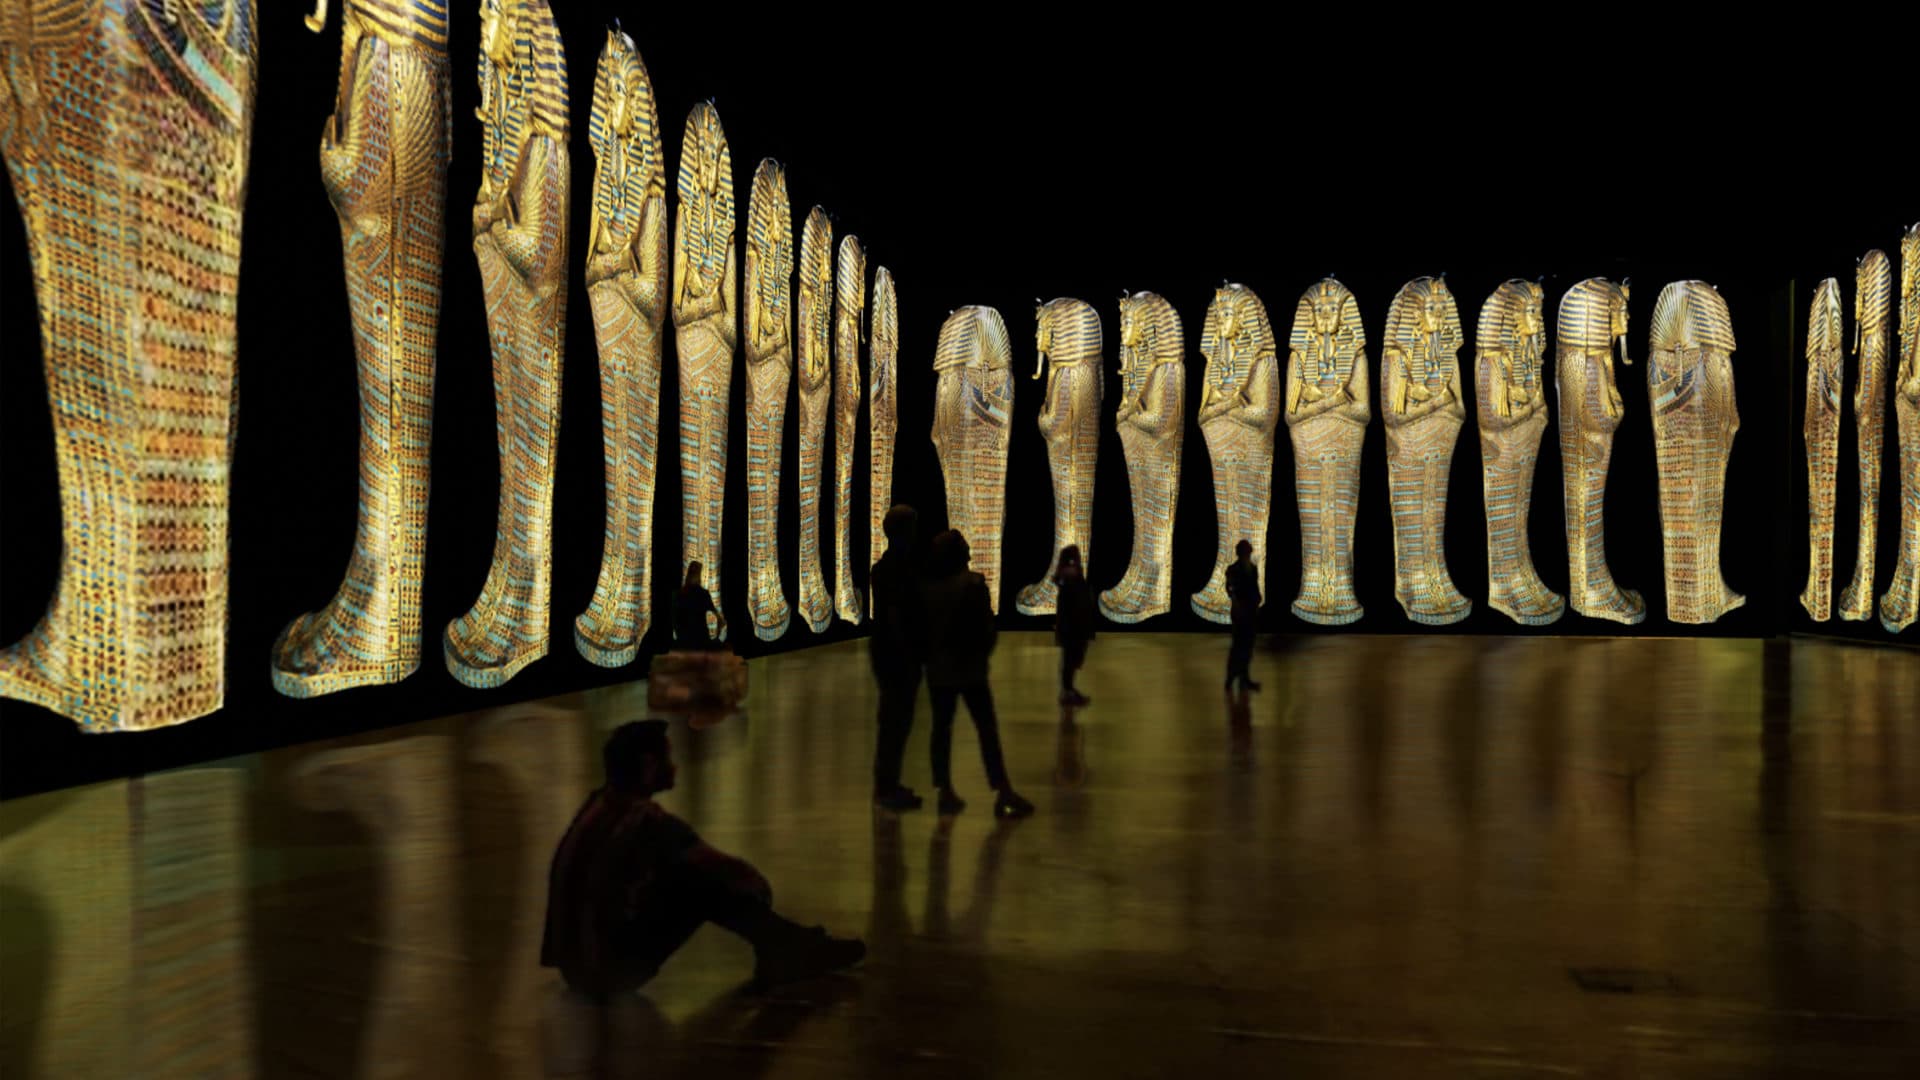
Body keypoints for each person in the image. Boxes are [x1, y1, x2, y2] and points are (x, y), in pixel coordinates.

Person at [541, 721, 865, 997]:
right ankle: (790, 949)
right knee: (698, 882)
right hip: (608, 974)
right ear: (649, 765)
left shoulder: (595, 808)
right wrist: (757, 888)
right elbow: (731, 872)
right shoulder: (647, 821)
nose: (675, 765)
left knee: (686, 873)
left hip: (576, 972)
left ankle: (783, 946)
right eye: (668, 757)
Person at [921, 529, 1035, 818]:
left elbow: (919, 633)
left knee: (942, 730)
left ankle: (944, 789)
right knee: (986, 730)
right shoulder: (973, 586)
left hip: (940, 671)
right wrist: (980, 655)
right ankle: (1003, 791)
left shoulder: (929, 589)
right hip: (970, 670)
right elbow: (985, 630)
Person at [869, 505, 926, 811]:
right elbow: (895, 615)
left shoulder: (884, 568)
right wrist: (909, 653)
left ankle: (888, 783)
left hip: (889, 652)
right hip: (897, 655)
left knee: (895, 724)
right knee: (895, 723)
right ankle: (886, 788)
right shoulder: (897, 570)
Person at [1052, 545, 1096, 706]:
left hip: (1072, 626)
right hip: (1075, 626)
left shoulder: (1068, 577)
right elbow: (1077, 605)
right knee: (1071, 660)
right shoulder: (1072, 577)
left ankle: (1068, 690)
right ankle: (1068, 691)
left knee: (1069, 660)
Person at [1224, 538, 1261, 693]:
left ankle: (1243, 678)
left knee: (1247, 646)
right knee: (1238, 645)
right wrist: (1236, 601)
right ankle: (1231, 678)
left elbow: (1254, 586)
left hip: (1250, 610)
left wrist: (1258, 598)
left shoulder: (1252, 568)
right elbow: (1229, 588)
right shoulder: (1233, 569)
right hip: (1240, 611)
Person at [674, 562, 726, 649]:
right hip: (701, 641)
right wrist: (718, 637)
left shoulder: (680, 594)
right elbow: (720, 619)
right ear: (699, 575)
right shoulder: (703, 594)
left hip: (683, 642)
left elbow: (675, 619)